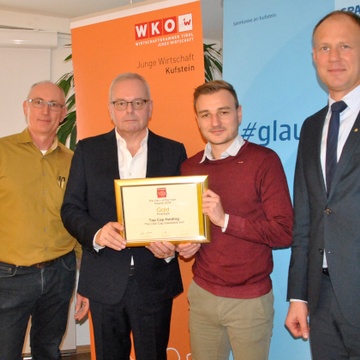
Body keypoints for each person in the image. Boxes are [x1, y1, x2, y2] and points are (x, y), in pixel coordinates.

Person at [61, 72, 186, 360]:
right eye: (121, 103)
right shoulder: (87, 150)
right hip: (104, 281)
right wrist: (95, 233)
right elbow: (70, 209)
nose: (130, 110)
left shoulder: (173, 151)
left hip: (154, 279)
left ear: (150, 107)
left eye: (138, 102)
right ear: (110, 109)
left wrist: (173, 245)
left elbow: (182, 213)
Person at [177, 80, 293, 360]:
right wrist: (187, 243)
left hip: (250, 301)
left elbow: (284, 232)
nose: (215, 122)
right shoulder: (189, 167)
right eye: (205, 114)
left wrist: (225, 219)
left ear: (239, 113)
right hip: (203, 295)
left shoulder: (264, 161)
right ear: (197, 120)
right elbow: (191, 226)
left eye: (224, 112)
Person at [285, 10, 360, 359]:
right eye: (324, 48)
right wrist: (299, 296)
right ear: (313, 57)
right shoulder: (311, 126)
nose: (334, 57)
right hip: (323, 295)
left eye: (345, 45)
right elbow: (306, 218)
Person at [0, 81, 78, 360]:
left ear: (63, 114)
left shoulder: (74, 161)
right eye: (38, 102)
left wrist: (88, 278)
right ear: (25, 107)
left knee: (48, 350)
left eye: (54, 104)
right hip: (9, 277)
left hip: (61, 273)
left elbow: (79, 217)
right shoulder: (2, 151)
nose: (45, 110)